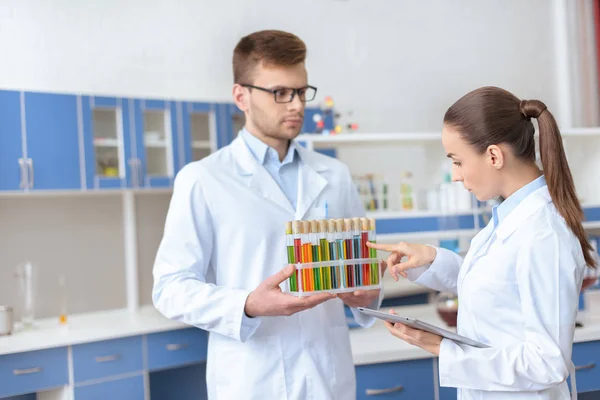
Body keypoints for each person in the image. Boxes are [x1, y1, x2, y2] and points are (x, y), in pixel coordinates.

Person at [152, 29, 383, 399]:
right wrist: (247, 304)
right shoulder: (204, 179)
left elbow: (363, 268)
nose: (296, 105)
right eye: (280, 93)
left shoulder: (333, 175)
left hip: (328, 376)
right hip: (253, 380)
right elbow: (170, 288)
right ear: (240, 96)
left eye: (301, 92)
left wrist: (368, 293)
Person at [368, 86, 596, 400]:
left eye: (457, 161)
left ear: (493, 155)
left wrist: (441, 348)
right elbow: (500, 289)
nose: (455, 176)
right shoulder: (508, 217)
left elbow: (547, 363)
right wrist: (431, 259)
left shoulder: (543, 233)